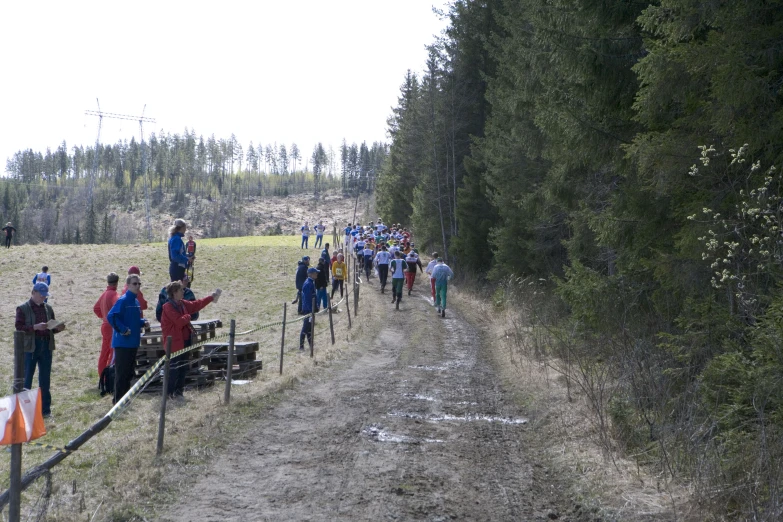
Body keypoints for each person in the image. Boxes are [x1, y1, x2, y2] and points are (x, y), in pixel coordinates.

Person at [161, 281, 219, 400]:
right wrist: (188, 316)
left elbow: (197, 304)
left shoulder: (182, 304)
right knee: (173, 369)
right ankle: (169, 394)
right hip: (174, 344)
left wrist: (211, 298)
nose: (184, 291)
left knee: (182, 368)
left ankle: (179, 392)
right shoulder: (168, 307)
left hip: (185, 341)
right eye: (181, 290)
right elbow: (179, 321)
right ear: (174, 292)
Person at [15, 282, 65, 418]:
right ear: (34, 292)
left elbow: (51, 327)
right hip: (30, 348)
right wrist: (35, 327)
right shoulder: (22, 308)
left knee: (45, 380)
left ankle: (45, 411)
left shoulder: (48, 308)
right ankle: (24, 412)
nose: (43, 298)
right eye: (41, 295)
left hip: (46, 346)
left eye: (45, 296)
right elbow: (19, 328)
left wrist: (57, 328)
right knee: (26, 380)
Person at [107, 274, 149, 405]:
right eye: (134, 284)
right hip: (122, 343)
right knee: (122, 373)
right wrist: (123, 329)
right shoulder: (123, 300)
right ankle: (117, 401)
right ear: (128, 285)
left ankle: (125, 400)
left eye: (139, 284)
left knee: (129, 373)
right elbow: (111, 316)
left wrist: (142, 322)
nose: (137, 286)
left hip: (133, 342)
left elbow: (133, 320)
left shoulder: (136, 302)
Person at [93, 272, 120, 394]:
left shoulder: (104, 294)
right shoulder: (114, 295)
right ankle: (108, 378)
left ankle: (101, 377)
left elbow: (96, 308)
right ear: (117, 283)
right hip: (112, 327)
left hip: (104, 325)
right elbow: (117, 310)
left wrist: (103, 316)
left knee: (104, 353)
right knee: (112, 353)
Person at [300, 267, 318, 351]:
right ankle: (301, 346)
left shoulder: (311, 282)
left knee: (310, 328)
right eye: (315, 273)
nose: (316, 274)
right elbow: (307, 299)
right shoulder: (308, 284)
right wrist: (311, 310)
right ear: (311, 274)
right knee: (305, 327)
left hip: (310, 309)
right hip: (308, 310)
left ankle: (311, 345)